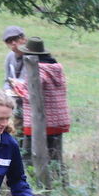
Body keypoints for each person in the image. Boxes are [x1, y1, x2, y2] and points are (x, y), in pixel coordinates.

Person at [16, 36, 71, 178]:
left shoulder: (37, 70)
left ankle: (33, 183)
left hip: (39, 122)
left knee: (28, 155)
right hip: (58, 121)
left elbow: (33, 97)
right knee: (55, 157)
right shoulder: (55, 68)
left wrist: (18, 89)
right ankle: (60, 184)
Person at [1, 25, 28, 144]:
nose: (13, 44)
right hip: (14, 99)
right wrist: (7, 90)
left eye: (15, 40)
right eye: (9, 41)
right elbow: (7, 80)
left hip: (29, 100)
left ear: (23, 39)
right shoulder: (9, 57)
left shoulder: (32, 56)